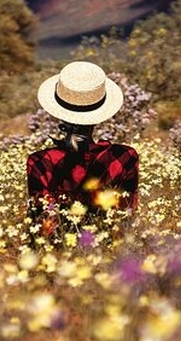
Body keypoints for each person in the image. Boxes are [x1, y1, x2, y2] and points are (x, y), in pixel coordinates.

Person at [26, 61, 139, 241]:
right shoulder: (124, 157)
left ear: (60, 114)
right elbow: (126, 215)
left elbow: (43, 221)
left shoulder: (41, 161)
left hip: (56, 252)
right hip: (109, 249)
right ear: (97, 116)